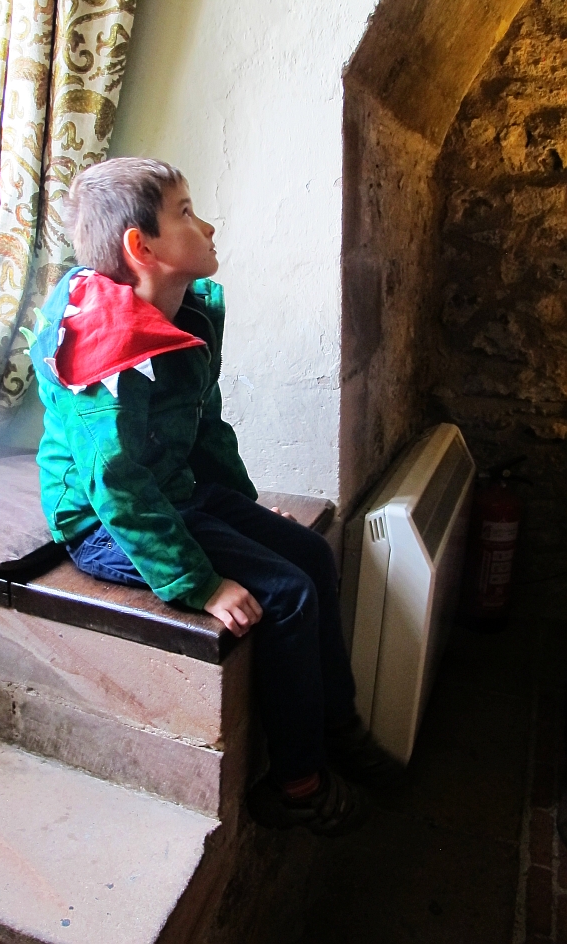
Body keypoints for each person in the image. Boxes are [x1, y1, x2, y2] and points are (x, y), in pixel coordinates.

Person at [28, 157, 402, 835]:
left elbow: (203, 424)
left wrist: (244, 507)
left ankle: (336, 724)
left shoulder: (188, 313)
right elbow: (117, 486)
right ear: (142, 248)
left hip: (176, 490)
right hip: (105, 523)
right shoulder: (104, 353)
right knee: (287, 593)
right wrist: (199, 584)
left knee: (312, 556)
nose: (206, 226)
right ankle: (298, 784)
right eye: (184, 213)